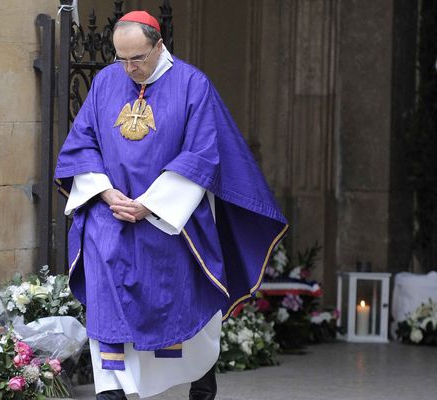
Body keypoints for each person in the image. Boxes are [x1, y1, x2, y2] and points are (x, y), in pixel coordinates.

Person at [54, 10, 288, 400]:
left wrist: (151, 204)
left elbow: (203, 154)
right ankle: (110, 390)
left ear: (159, 46)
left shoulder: (193, 85)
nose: (129, 69)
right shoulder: (105, 82)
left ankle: (199, 377)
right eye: (121, 59)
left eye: (138, 59)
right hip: (109, 218)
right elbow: (82, 144)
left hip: (170, 222)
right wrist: (105, 192)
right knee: (106, 303)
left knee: (180, 300)